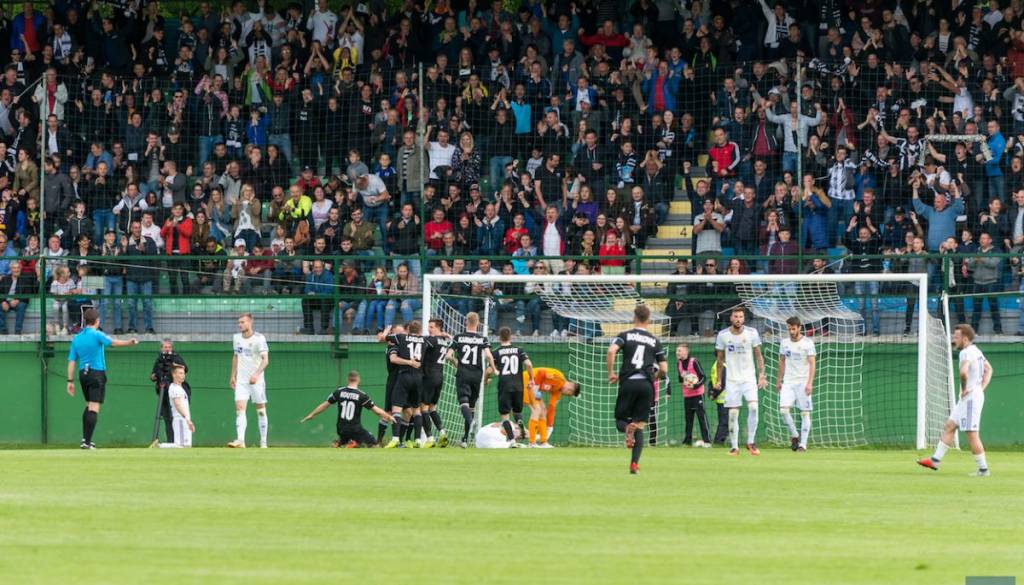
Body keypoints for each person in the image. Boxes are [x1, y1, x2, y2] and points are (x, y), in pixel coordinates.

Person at [917, 325, 993, 477]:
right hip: (970, 397)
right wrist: (980, 388)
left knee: (972, 434)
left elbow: (963, 373)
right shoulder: (976, 351)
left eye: (956, 337)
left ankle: (983, 469)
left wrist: (965, 389)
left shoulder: (966, 353)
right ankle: (935, 460)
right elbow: (989, 369)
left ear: (965, 339)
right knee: (950, 425)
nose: (954, 339)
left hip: (970, 398)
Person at [606, 304, 667, 474]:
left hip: (629, 382)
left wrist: (611, 373)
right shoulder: (654, 341)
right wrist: (655, 377)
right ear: (649, 320)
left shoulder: (624, 335)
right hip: (646, 386)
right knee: (639, 426)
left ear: (634, 318)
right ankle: (634, 464)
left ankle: (627, 428)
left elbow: (611, 351)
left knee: (621, 420)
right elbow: (664, 368)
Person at [66, 308, 139, 449]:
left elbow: (71, 361)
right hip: (96, 373)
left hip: (83, 374)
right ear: (97, 321)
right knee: (94, 407)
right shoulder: (97, 334)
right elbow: (112, 342)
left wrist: (70, 381)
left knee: (88, 405)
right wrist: (129, 342)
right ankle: (87, 443)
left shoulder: (77, 338)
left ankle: (85, 439)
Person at [714, 308, 767, 456]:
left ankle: (751, 442)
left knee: (754, 408)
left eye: (741, 317)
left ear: (744, 318)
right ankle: (734, 447)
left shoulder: (752, 333)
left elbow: (758, 355)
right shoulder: (723, 335)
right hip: (732, 380)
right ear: (731, 318)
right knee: (732, 413)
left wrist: (762, 374)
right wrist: (718, 379)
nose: (738, 319)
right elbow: (720, 359)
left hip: (749, 378)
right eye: (736, 316)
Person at [300, 370, 395, 448]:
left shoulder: (339, 392)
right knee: (374, 445)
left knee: (346, 439)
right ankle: (351, 443)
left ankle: (341, 442)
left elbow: (325, 405)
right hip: (355, 429)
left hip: (340, 428)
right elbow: (377, 411)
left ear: (348, 379)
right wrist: (389, 417)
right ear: (358, 379)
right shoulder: (361, 395)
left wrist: (311, 414)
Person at [447, 312, 495, 448]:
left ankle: (470, 423)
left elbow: (448, 356)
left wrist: (456, 363)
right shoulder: (482, 339)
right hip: (477, 375)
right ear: (478, 323)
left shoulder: (458, 337)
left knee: (463, 401)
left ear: (466, 322)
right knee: (472, 406)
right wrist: (494, 369)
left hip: (463, 373)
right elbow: (488, 356)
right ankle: (465, 439)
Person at [380, 321, 431, 448]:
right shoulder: (425, 340)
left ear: (408, 330)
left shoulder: (401, 338)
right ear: (420, 331)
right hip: (418, 377)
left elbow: (382, 338)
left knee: (396, 408)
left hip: (404, 376)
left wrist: (386, 330)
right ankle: (418, 440)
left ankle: (396, 439)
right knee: (416, 410)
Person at [228, 313, 270, 448]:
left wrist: (256, 374)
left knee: (261, 410)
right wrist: (233, 375)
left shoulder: (259, 338)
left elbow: (265, 360)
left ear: (250, 322)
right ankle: (241, 440)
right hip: (241, 381)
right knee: (240, 409)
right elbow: (236, 356)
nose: (240, 325)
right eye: (239, 322)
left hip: (256, 381)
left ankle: (263, 442)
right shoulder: (236, 338)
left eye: (243, 322)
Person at [776, 317, 816, 452]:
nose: (791, 331)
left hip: (803, 382)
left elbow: (812, 364)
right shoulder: (784, 343)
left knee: (805, 413)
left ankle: (803, 444)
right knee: (783, 410)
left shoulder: (808, 343)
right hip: (788, 381)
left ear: (799, 328)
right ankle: (794, 435)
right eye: (789, 329)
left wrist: (810, 383)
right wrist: (779, 380)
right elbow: (782, 362)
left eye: (793, 329)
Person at [493, 327, 534, 446]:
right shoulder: (519, 350)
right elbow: (529, 365)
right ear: (511, 337)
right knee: (517, 411)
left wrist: (486, 378)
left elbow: (490, 370)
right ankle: (520, 423)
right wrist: (531, 379)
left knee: (505, 415)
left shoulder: (496, 352)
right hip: (518, 386)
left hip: (505, 386)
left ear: (499, 338)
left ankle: (511, 440)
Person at [523, 366, 581, 448]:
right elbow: (541, 373)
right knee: (537, 410)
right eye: (569, 392)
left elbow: (552, 408)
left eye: (569, 394)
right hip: (526, 382)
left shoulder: (558, 392)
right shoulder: (559, 378)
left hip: (533, 388)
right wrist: (535, 388)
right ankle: (532, 443)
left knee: (543, 411)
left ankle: (543, 442)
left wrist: (550, 426)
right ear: (570, 385)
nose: (567, 393)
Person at [150, 339, 188, 444]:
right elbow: (153, 375)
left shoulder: (176, 357)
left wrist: (175, 366)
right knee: (167, 418)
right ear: (161, 348)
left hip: (174, 391)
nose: (167, 349)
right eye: (165, 347)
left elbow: (185, 369)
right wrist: (154, 376)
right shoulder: (159, 359)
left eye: (169, 347)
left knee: (176, 416)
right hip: (162, 391)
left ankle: (179, 439)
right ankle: (170, 441)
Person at [420, 319, 451, 447]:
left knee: (423, 408)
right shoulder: (444, 341)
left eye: (432, 327)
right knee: (432, 408)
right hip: (439, 377)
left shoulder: (432, 340)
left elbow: (420, 343)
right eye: (429, 327)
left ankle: (430, 438)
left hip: (429, 377)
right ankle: (442, 433)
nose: (429, 329)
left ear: (439, 328)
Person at [150, 365, 195, 449]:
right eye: (180, 373)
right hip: (180, 420)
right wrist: (187, 419)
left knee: (187, 445)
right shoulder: (174, 388)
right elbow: (178, 404)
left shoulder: (180, 388)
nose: (183, 375)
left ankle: (158, 446)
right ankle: (159, 446)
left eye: (183, 373)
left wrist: (187, 419)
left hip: (184, 420)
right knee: (181, 445)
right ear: (174, 375)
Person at [676, 344, 711, 447]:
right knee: (688, 419)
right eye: (677, 351)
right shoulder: (679, 363)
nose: (677, 353)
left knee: (701, 417)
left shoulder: (694, 361)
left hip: (698, 394)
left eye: (679, 351)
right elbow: (680, 379)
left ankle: (707, 441)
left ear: (686, 352)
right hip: (687, 395)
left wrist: (695, 385)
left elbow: (703, 377)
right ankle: (687, 441)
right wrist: (686, 379)